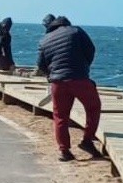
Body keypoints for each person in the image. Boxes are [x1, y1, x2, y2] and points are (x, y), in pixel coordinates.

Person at [36, 14, 102, 162]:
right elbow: (91, 49)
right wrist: (84, 67)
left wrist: (51, 75)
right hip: (79, 78)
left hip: (58, 82)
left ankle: (64, 151)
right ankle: (87, 140)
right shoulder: (76, 31)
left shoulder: (44, 40)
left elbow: (41, 65)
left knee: (60, 117)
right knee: (93, 107)